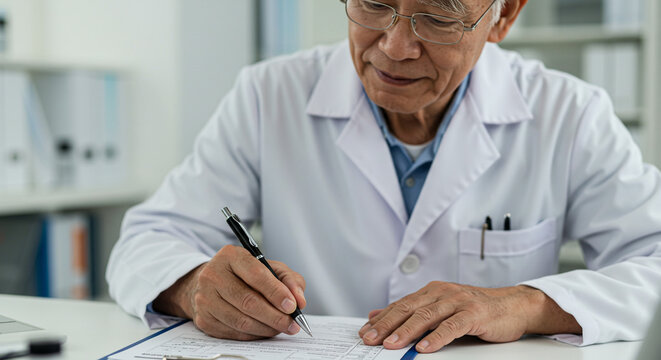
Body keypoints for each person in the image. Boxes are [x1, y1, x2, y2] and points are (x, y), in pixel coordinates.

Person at [107, 0, 661, 354]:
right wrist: (191, 285)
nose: (394, 46)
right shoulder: (267, 95)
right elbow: (148, 239)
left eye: (439, 17)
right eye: (374, 4)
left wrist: (523, 303)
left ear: (503, 16)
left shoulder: (570, 112)